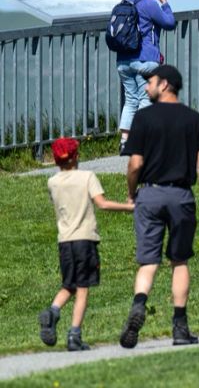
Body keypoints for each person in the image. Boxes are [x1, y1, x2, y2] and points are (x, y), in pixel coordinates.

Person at [119, 65, 199, 349]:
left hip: (150, 194)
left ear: (164, 85)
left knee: (148, 262)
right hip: (181, 196)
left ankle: (139, 305)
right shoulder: (193, 119)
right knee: (179, 260)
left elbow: (135, 163)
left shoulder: (143, 118)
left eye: (150, 82)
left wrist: (131, 192)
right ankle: (180, 327)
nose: (147, 87)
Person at [38, 137, 134, 352]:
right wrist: (129, 208)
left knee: (68, 285)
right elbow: (102, 203)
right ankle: (74, 335)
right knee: (82, 289)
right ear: (76, 157)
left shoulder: (52, 182)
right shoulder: (87, 177)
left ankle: (52, 311)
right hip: (85, 239)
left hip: (65, 241)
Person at [116, 0, 176, 153]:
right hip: (144, 60)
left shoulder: (123, 2)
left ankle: (125, 140)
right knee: (145, 98)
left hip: (123, 61)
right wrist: (164, 3)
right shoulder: (148, 4)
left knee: (130, 100)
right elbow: (169, 23)